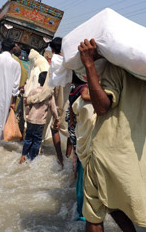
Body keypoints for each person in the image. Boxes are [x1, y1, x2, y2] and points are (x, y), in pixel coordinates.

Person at [77, 39, 146, 232]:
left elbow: (102, 106)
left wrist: (89, 64)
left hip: (104, 156)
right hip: (131, 160)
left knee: (94, 214)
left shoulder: (117, 69)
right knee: (113, 204)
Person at [25, 37, 70, 167]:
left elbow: (47, 90)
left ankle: (60, 160)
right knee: (70, 133)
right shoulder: (69, 64)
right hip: (69, 104)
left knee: (53, 128)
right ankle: (68, 158)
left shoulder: (54, 66)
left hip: (55, 103)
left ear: (52, 49)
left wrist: (30, 100)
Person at [66, 72, 90, 221]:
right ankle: (81, 213)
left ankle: (79, 209)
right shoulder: (83, 89)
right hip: (82, 137)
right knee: (83, 176)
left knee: (80, 171)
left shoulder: (73, 90)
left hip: (75, 135)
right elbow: (87, 97)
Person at [20, 72, 59, 163]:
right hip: (40, 121)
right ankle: (32, 159)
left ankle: (23, 156)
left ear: (38, 80)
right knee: (37, 140)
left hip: (30, 119)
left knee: (28, 138)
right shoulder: (49, 94)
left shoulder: (33, 91)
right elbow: (53, 108)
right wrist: (56, 119)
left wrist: (27, 115)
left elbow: (26, 104)